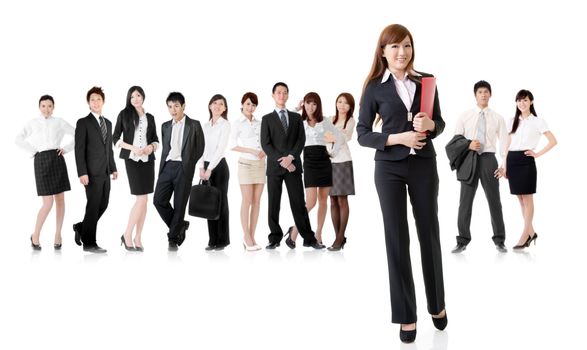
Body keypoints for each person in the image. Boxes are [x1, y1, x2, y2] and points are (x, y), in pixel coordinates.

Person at [356, 24, 447, 343]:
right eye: (393, 47)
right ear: (383, 52)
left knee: (429, 233)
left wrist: (431, 124)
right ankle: (406, 315)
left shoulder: (427, 81)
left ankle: (436, 303)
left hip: (423, 165)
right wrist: (397, 137)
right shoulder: (374, 88)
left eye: (406, 45)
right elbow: (363, 133)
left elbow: (440, 123)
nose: (401, 52)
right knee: (397, 238)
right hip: (389, 170)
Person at [260, 82, 325, 250]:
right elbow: (266, 144)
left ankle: (309, 238)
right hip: (275, 168)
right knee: (273, 204)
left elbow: (300, 140)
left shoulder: (296, 118)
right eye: (278, 92)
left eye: (284, 93)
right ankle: (274, 238)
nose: (282, 95)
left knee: (298, 203)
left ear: (288, 95)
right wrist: (282, 161)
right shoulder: (267, 119)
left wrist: (290, 157)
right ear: (273, 95)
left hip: (294, 166)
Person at [450, 80, 508, 253]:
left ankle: (499, 240)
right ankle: (462, 241)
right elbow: (455, 141)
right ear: (475, 95)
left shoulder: (497, 118)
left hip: (489, 160)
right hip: (469, 159)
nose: (483, 94)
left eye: (486, 92)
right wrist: (468, 145)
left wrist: (504, 165)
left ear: (490, 94)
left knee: (494, 201)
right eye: (480, 92)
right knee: (465, 202)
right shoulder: (465, 116)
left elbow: (504, 143)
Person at [496, 89, 557, 249]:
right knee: (520, 200)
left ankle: (525, 234)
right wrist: (504, 165)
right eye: (519, 100)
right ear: (516, 103)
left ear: (531, 102)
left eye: (525, 100)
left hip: (526, 161)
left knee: (528, 199)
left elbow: (553, 141)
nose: (522, 103)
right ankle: (531, 232)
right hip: (512, 161)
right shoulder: (511, 121)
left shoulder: (538, 121)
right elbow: (507, 145)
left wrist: (536, 154)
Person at [16, 95, 74, 250]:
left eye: (49, 106)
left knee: (60, 200)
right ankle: (35, 235)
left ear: (53, 107)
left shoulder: (59, 122)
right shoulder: (32, 123)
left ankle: (58, 234)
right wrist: (34, 151)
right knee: (47, 203)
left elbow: (78, 134)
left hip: (57, 159)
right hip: (41, 161)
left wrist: (66, 149)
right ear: (39, 107)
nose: (46, 109)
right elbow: (18, 139)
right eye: (43, 106)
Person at [288, 92, 344, 248]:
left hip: (324, 160)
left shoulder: (324, 121)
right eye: (307, 103)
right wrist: (297, 108)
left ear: (318, 105)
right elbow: (284, 122)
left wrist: (333, 152)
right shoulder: (299, 120)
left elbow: (339, 136)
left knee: (323, 201)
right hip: (309, 161)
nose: (310, 107)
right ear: (303, 104)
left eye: (314, 104)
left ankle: (318, 234)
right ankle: (294, 231)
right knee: (310, 202)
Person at [154, 92, 204, 251]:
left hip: (184, 168)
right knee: (158, 201)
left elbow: (200, 148)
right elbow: (166, 148)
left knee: (179, 204)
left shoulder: (194, 125)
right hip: (167, 167)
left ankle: (173, 238)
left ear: (183, 106)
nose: (173, 110)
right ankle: (179, 225)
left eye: (176, 106)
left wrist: (188, 164)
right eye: (170, 106)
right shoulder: (165, 126)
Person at [112, 86, 159, 252]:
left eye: (138, 95)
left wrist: (150, 148)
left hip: (148, 160)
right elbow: (115, 138)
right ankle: (127, 234)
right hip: (132, 160)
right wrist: (133, 148)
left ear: (143, 97)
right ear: (129, 99)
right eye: (132, 97)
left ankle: (138, 236)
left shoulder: (150, 117)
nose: (136, 99)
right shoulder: (124, 114)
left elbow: (156, 140)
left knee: (145, 200)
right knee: (140, 199)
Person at [73, 87, 118, 254]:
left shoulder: (108, 123)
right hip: (91, 173)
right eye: (92, 100)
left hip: (105, 172)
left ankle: (81, 227)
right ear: (88, 103)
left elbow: (109, 149)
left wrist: (113, 168)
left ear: (103, 101)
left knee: (104, 204)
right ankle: (89, 242)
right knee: (93, 206)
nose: (96, 102)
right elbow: (79, 150)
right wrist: (82, 172)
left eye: (98, 99)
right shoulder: (83, 122)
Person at [230, 92, 265, 251]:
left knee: (257, 202)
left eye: (253, 105)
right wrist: (250, 150)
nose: (251, 107)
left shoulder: (260, 122)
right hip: (245, 164)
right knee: (247, 200)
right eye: (248, 104)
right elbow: (232, 145)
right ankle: (246, 235)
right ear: (242, 104)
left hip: (260, 164)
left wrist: (264, 151)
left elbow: (268, 139)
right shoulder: (237, 123)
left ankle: (251, 236)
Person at [199, 94, 231, 251]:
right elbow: (200, 149)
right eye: (215, 103)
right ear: (210, 105)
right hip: (205, 167)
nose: (217, 106)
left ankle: (222, 240)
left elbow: (220, 148)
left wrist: (210, 168)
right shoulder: (204, 126)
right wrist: (201, 168)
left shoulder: (225, 125)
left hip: (218, 167)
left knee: (221, 204)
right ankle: (212, 240)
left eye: (221, 104)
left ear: (224, 108)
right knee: (208, 205)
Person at [327, 92, 356, 251]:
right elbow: (321, 137)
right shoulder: (329, 119)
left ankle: (339, 238)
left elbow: (344, 138)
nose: (342, 105)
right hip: (328, 163)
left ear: (350, 106)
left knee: (342, 200)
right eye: (339, 101)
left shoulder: (350, 121)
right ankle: (338, 236)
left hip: (343, 162)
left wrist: (332, 136)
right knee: (332, 200)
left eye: (346, 103)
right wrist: (333, 136)